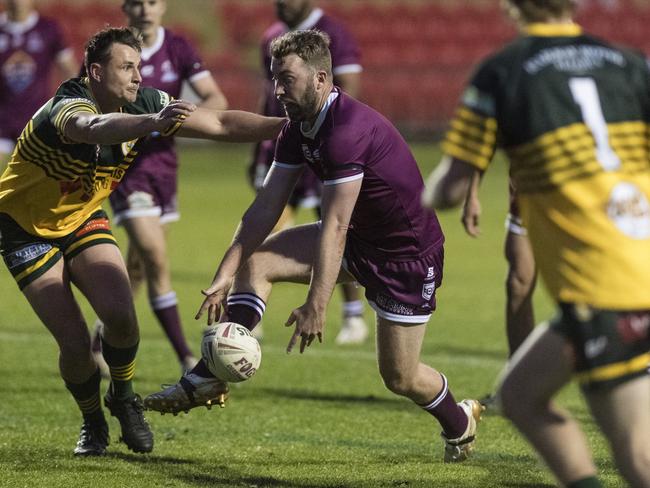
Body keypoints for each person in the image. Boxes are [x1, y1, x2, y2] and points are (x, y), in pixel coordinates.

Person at [145, 30, 483, 463]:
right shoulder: (298, 128)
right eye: (274, 80)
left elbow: (336, 226)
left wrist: (317, 302)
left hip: (406, 258)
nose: (278, 91)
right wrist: (224, 274)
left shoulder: (346, 132)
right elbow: (266, 206)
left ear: (321, 79)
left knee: (399, 377)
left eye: (286, 80)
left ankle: (460, 423)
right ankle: (210, 376)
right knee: (258, 261)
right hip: (361, 237)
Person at [0, 27, 284, 457]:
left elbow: (222, 122)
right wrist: (151, 123)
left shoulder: (146, 100)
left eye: (139, 66)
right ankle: (93, 421)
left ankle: (125, 398)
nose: (138, 76)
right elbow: (92, 127)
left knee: (121, 316)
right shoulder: (65, 107)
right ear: (95, 72)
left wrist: (292, 125)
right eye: (126, 67)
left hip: (80, 217)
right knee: (75, 343)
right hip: (24, 228)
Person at [422, 0, 650, 485]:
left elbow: (452, 186)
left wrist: (424, 191)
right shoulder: (629, 63)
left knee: (639, 454)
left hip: (607, 285)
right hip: (632, 262)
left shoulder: (503, 73)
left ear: (512, 7)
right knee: (522, 394)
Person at [91, 0, 229, 376]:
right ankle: (185, 357)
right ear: (126, 7)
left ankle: (101, 338)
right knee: (156, 258)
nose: (145, 10)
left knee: (138, 265)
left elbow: (216, 99)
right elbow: (93, 106)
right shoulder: (112, 52)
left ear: (163, 6)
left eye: (152, 2)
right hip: (126, 168)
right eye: (137, 2)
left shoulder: (179, 48)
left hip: (164, 167)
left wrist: (180, 115)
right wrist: (136, 123)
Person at [250, 0, 367, 345]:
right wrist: (259, 149)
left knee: (335, 230)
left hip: (322, 146)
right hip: (284, 147)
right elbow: (268, 95)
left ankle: (353, 316)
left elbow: (350, 89)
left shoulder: (335, 33)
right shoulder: (272, 37)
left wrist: (335, 141)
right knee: (262, 226)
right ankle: (247, 313)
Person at [0, 0, 77, 170]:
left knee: (38, 179)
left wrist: (79, 100)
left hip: (35, 119)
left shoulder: (48, 29)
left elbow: (69, 70)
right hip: (2, 120)